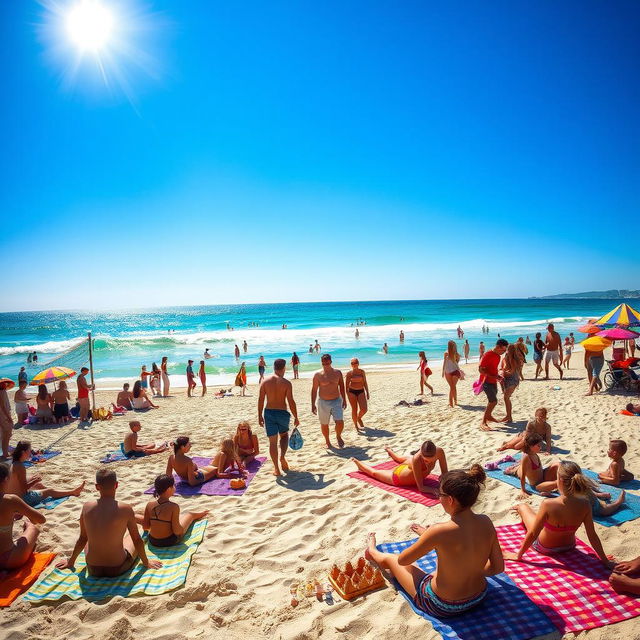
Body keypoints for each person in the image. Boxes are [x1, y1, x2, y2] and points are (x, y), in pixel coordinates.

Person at [365, 465, 503, 617]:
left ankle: (372, 551)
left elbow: (404, 560)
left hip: (443, 605)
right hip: (478, 597)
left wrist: (428, 537)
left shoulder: (438, 531)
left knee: (394, 560)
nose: (438, 497)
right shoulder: (486, 521)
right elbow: (497, 568)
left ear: (450, 500)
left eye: (440, 494)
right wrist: (470, 568)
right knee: (450, 564)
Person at [56, 468, 161, 576]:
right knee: (131, 536)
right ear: (116, 485)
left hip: (93, 569)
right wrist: (146, 562)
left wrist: (71, 562)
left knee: (88, 539)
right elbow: (137, 539)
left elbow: (82, 538)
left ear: (97, 487)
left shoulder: (87, 507)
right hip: (118, 567)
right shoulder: (125, 508)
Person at [504, 461, 613, 565]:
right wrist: (604, 560)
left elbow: (533, 533)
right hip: (569, 546)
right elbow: (592, 535)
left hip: (545, 547)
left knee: (524, 508)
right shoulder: (585, 505)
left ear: (559, 481)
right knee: (542, 520)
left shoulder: (548, 504)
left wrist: (518, 555)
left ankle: (520, 507)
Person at [350, 440, 448, 496]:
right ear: (421, 454)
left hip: (408, 468)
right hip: (398, 477)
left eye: (431, 459)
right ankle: (358, 463)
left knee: (401, 459)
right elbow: (421, 487)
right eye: (426, 460)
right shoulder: (417, 459)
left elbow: (445, 474)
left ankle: (390, 451)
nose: (429, 462)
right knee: (374, 473)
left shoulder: (440, 452)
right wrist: (433, 490)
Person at [139, 474, 208, 547]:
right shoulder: (173, 507)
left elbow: (145, 526)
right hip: (169, 541)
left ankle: (199, 514)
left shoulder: (149, 505)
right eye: (173, 486)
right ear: (169, 489)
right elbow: (177, 531)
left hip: (153, 541)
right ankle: (202, 514)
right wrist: (181, 528)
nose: (175, 488)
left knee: (177, 519)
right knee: (189, 515)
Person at [8, 441, 84, 507]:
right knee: (49, 491)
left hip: (15, 495)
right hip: (22, 499)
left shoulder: (14, 463)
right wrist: (35, 481)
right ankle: (73, 492)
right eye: (29, 450)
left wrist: (33, 480)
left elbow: (18, 482)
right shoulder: (20, 466)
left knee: (38, 486)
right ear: (23, 452)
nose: (30, 453)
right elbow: (24, 489)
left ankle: (52, 493)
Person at [0, 462, 46, 570]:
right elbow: (41, 519)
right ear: (6, 480)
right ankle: (28, 526)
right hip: (7, 559)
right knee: (33, 527)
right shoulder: (10, 500)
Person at [258, 358, 299, 476]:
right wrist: (296, 416)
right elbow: (291, 401)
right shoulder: (286, 383)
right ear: (284, 368)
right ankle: (282, 457)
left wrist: (259, 415)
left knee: (272, 442)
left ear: (274, 367)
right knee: (284, 436)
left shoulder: (265, 381)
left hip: (269, 412)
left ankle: (276, 468)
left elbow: (261, 400)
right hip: (282, 412)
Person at [504, 433, 559, 498]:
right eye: (538, 445)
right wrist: (523, 490)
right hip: (536, 484)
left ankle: (516, 467)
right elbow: (523, 475)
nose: (540, 447)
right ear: (531, 446)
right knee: (518, 470)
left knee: (557, 464)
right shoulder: (526, 457)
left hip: (542, 476)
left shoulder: (534, 453)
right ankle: (513, 470)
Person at [311, 354, 347, 449]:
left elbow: (342, 387)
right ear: (321, 363)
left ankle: (338, 436)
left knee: (340, 422)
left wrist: (344, 400)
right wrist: (312, 404)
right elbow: (314, 390)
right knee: (324, 424)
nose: (325, 364)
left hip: (336, 400)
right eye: (323, 363)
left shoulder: (337, 373)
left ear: (331, 362)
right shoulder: (318, 375)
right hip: (323, 402)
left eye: (327, 362)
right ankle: (327, 441)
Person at [479, 339, 508, 430]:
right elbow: (480, 370)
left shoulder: (498, 356)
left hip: (493, 381)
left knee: (492, 401)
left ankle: (488, 416)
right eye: (503, 350)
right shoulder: (487, 355)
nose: (504, 352)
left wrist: (497, 376)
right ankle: (483, 422)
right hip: (486, 381)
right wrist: (493, 376)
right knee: (493, 401)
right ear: (498, 346)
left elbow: (492, 368)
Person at [345, 358, 370, 432]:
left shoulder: (362, 372)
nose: (354, 364)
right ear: (351, 365)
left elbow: (365, 382)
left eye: (355, 363)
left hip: (361, 391)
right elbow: (346, 386)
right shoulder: (349, 373)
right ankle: (356, 426)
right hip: (351, 392)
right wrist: (347, 395)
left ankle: (359, 418)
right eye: (352, 363)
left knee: (364, 409)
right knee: (354, 409)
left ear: (358, 363)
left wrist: (367, 392)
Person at [499, 344, 520, 423]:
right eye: (507, 349)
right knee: (506, 398)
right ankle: (509, 417)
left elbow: (511, 372)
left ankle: (508, 416)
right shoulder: (504, 358)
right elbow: (501, 368)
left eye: (509, 350)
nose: (507, 351)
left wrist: (503, 373)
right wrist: (501, 372)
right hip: (505, 379)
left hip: (513, 379)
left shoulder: (513, 360)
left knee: (506, 397)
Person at [442, 341, 462, 408]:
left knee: (453, 386)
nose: (453, 347)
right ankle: (455, 401)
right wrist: (443, 371)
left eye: (454, 345)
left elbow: (457, 363)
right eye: (452, 345)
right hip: (447, 372)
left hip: (455, 371)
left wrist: (456, 357)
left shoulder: (456, 354)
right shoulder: (445, 353)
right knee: (452, 387)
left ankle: (451, 402)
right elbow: (444, 362)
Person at [1, 381, 14, 458]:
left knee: (6, 434)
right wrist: (8, 417)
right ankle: (5, 453)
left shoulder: (3, 392)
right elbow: (3, 406)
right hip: (4, 415)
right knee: (7, 434)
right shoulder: (2, 392)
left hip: (3, 415)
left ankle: (5, 452)